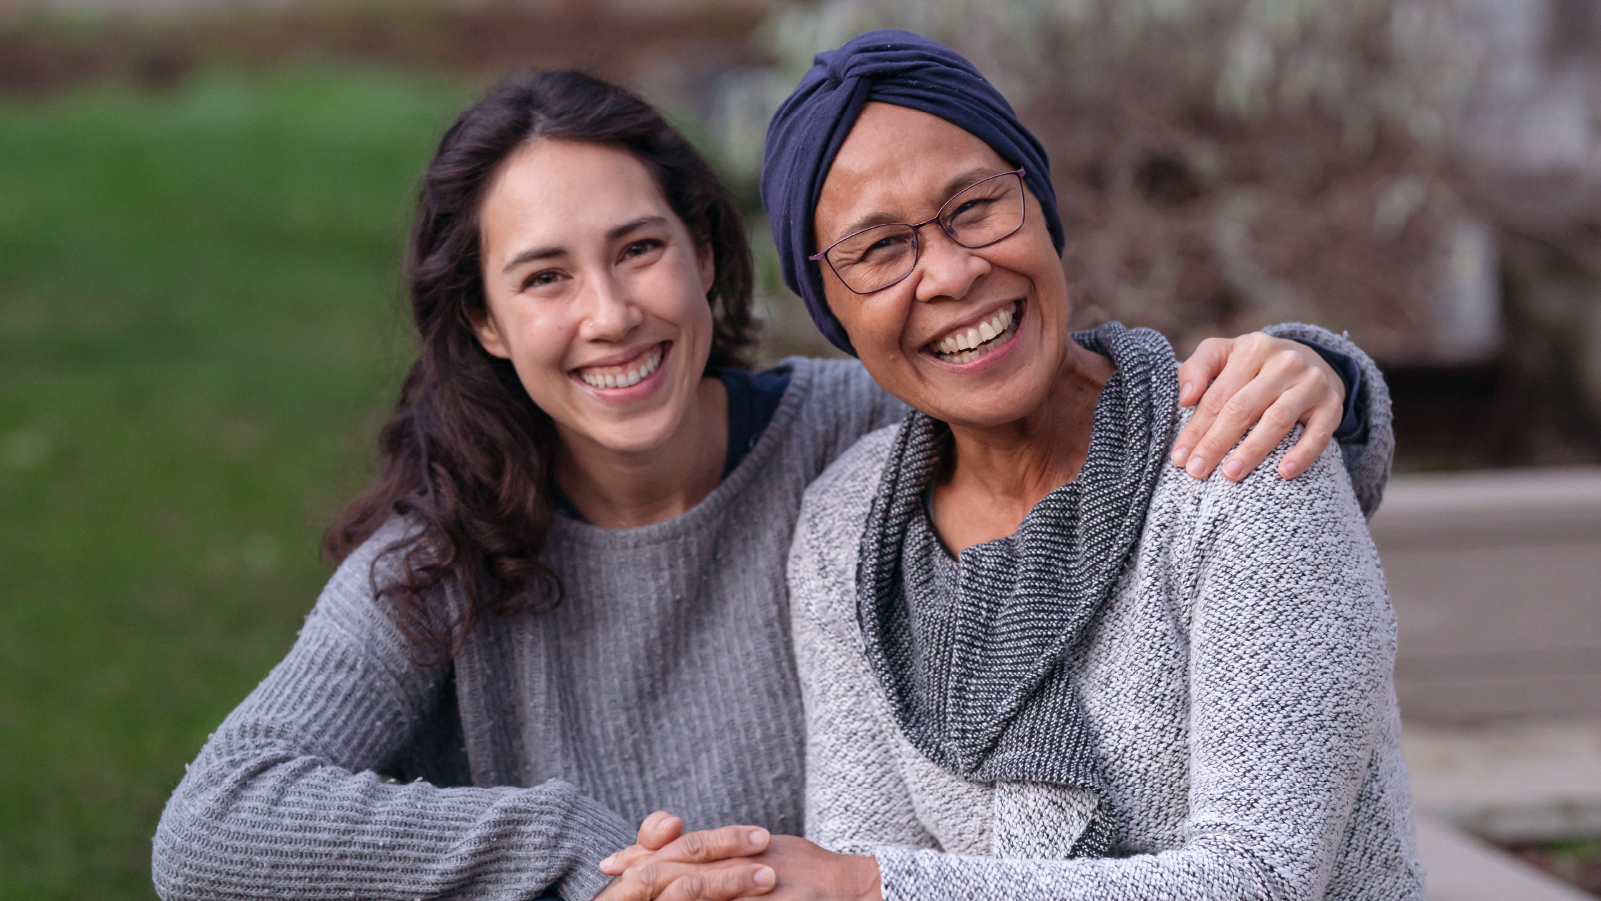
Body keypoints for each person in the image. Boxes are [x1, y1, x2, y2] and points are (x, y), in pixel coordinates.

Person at [152, 68, 1391, 900]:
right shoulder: (448, 552)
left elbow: (1059, 391)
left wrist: (1322, 371)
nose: (610, 315)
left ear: (704, 255)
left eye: (638, 249)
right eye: (542, 277)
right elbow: (213, 826)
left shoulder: (855, 437)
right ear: (481, 319)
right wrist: (593, 849)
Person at [594, 32, 1417, 901]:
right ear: (830, 309)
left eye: (974, 206)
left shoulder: (1240, 456)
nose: (950, 272)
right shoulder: (847, 532)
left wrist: (874, 887)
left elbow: (1263, 881)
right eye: (878, 250)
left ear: (1037, 200)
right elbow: (862, 843)